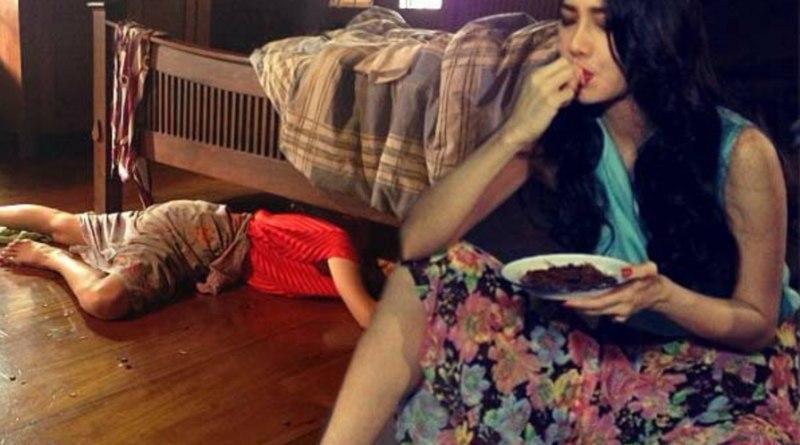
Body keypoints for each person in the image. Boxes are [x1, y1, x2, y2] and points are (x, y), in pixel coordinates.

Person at [322, 0, 800, 442]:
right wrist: (513, 133)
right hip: (604, 352)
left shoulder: (741, 151)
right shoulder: (567, 127)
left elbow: (757, 324)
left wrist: (664, 297)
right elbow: (416, 242)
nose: (576, 43)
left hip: (720, 369)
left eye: (604, 24)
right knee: (428, 279)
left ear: (657, 31)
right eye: (570, 19)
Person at [0, 200, 376, 328]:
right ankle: (51, 257)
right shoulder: (335, 241)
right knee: (103, 299)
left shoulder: (329, 253)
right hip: (193, 236)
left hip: (188, 218)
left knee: (61, 224)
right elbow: (367, 315)